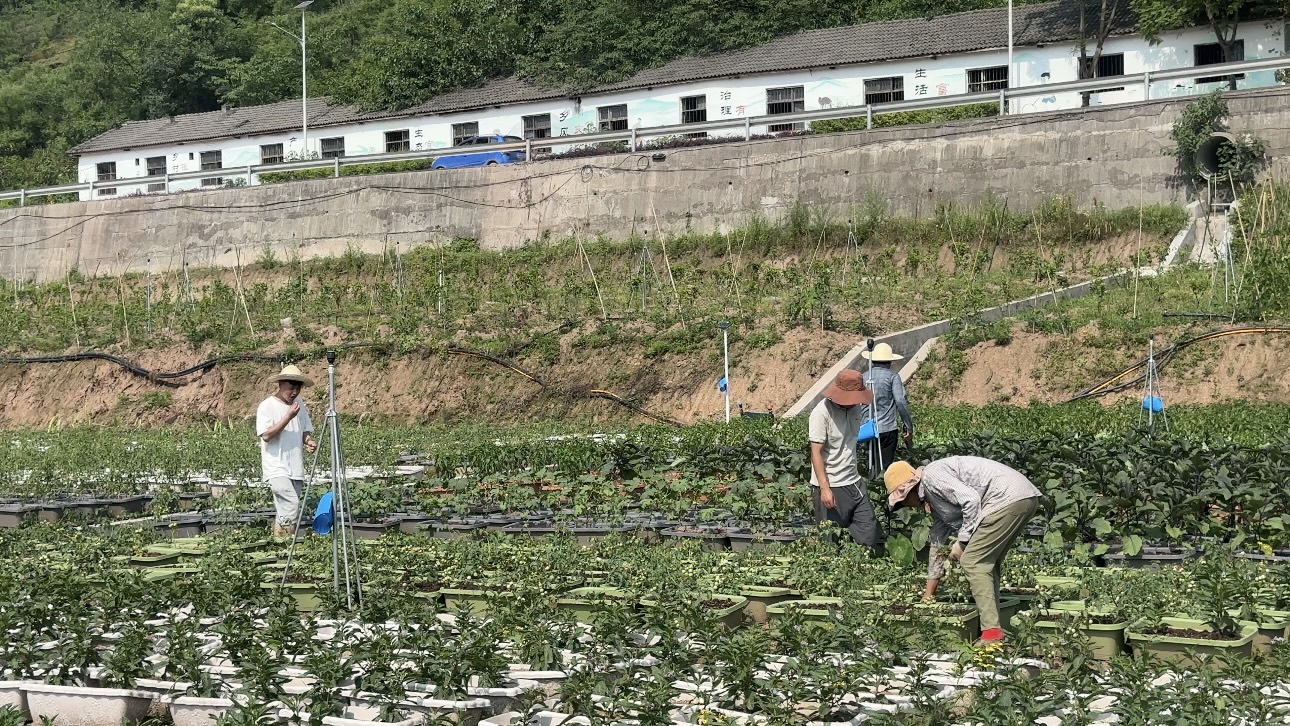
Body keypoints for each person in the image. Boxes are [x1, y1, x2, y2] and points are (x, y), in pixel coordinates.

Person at [884, 456, 1041, 644]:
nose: (905, 506)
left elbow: (971, 500)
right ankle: (995, 628)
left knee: (973, 562)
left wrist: (963, 542)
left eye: (902, 500)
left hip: (1006, 499)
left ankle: (992, 635)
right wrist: (928, 595)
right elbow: (938, 544)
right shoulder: (934, 502)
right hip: (1022, 497)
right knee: (987, 563)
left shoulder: (931, 477)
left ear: (910, 487)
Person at [808, 369, 881, 549]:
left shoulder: (855, 407)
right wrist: (825, 489)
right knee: (831, 541)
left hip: (854, 481)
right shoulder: (821, 413)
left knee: (868, 533)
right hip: (832, 485)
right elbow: (815, 453)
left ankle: (861, 568)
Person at [257, 364, 318, 538]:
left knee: (284, 509)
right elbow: (267, 435)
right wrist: (287, 417)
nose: (294, 392)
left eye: (298, 388)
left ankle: (279, 545)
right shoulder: (267, 406)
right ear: (281, 384)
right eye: (291, 387)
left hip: (296, 467)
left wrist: (308, 441)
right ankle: (287, 541)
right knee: (291, 504)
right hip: (276, 467)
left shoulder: (299, 404)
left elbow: (303, 428)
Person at [860, 342, 914, 475]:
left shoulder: (864, 377)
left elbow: (859, 403)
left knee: (872, 463)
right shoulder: (892, 377)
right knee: (886, 467)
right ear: (889, 362)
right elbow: (900, 402)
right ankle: (883, 491)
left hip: (868, 429)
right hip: (887, 428)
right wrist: (908, 425)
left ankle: (873, 487)